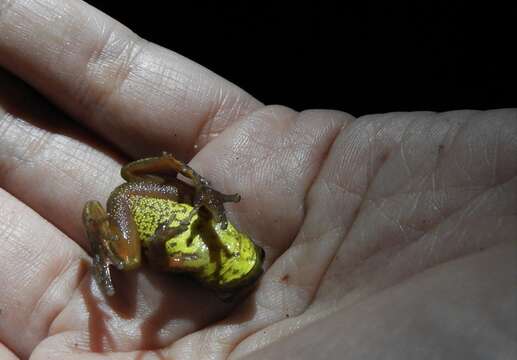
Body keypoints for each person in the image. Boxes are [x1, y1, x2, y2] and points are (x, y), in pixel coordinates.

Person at [0, 1, 515, 359]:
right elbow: (181, 242)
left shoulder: (203, 254)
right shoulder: (201, 240)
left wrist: (201, 211)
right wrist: (200, 201)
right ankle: (106, 239)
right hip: (139, 208)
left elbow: (185, 251)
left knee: (153, 241)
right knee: (129, 259)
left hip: (162, 209)